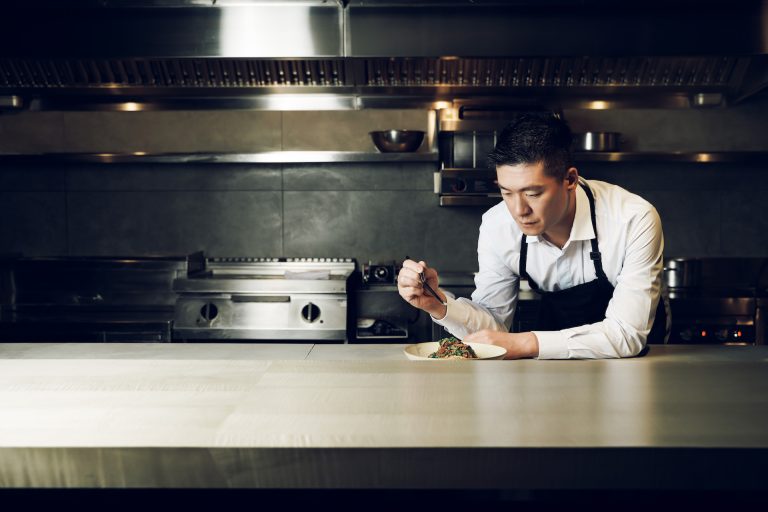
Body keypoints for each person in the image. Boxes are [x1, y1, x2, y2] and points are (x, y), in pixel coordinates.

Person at [397, 113, 668, 359]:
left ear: (570, 180)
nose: (519, 210)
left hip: (635, 365)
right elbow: (494, 325)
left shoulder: (633, 219)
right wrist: (439, 304)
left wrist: (524, 343)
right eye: (506, 192)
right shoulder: (497, 225)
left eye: (533, 193)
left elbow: (627, 334)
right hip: (553, 363)